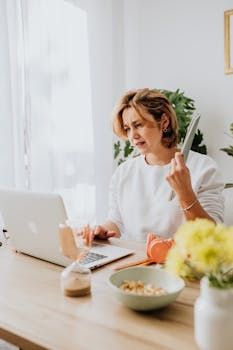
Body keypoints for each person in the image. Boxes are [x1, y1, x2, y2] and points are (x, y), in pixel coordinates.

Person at [89, 88, 224, 241]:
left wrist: (185, 193)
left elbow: (213, 236)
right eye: (127, 128)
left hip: (181, 263)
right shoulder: (123, 172)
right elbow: (116, 223)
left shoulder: (203, 168)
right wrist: (102, 230)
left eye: (138, 125)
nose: (132, 136)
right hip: (136, 262)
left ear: (164, 122)